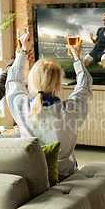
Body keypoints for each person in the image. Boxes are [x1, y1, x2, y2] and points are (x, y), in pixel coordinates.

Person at [6, 32, 92, 178]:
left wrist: (24, 51)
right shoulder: (71, 108)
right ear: (59, 86)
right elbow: (84, 86)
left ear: (32, 84)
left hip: (33, 177)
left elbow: (13, 81)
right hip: (66, 176)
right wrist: (77, 57)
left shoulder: (22, 107)